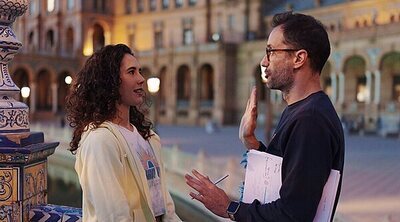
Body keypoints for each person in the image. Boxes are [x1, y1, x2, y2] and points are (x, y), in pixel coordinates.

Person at [185, 11, 345, 222]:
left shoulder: (310, 120)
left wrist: (229, 207)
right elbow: (284, 177)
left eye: (271, 52)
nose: (263, 61)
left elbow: (293, 214)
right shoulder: (301, 110)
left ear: (299, 58)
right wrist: (252, 143)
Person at [66, 44, 181, 222]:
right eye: (131, 72)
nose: (141, 79)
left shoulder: (148, 138)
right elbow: (114, 216)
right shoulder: (100, 141)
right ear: (110, 81)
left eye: (140, 71)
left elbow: (165, 207)